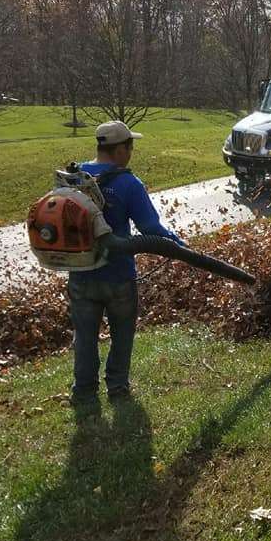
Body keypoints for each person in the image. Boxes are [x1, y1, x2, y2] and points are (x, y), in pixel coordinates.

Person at [68, 120, 183, 404]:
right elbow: (151, 230)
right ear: (119, 150)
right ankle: (117, 388)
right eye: (130, 147)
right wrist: (177, 243)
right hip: (118, 275)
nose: (131, 153)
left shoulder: (73, 178)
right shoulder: (129, 183)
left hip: (81, 273)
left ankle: (83, 391)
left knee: (84, 337)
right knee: (121, 335)